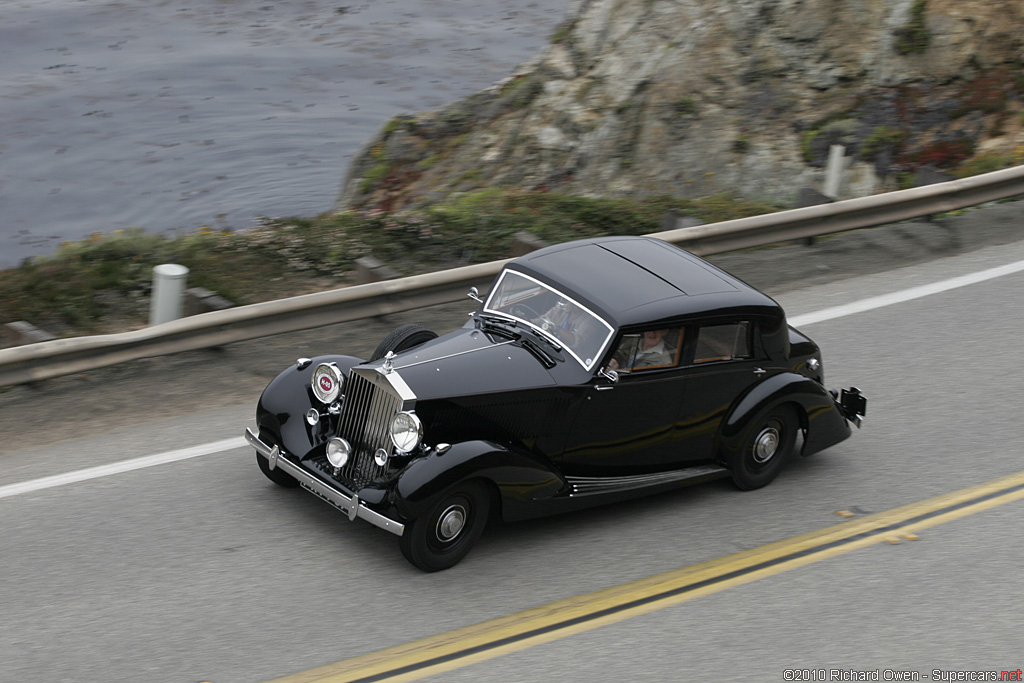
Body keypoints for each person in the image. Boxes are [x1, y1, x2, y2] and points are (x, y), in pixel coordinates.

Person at [609, 328, 677, 371]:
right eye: (649, 329)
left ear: (664, 332)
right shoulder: (631, 341)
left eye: (657, 330)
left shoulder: (663, 362)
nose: (652, 333)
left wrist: (615, 371)